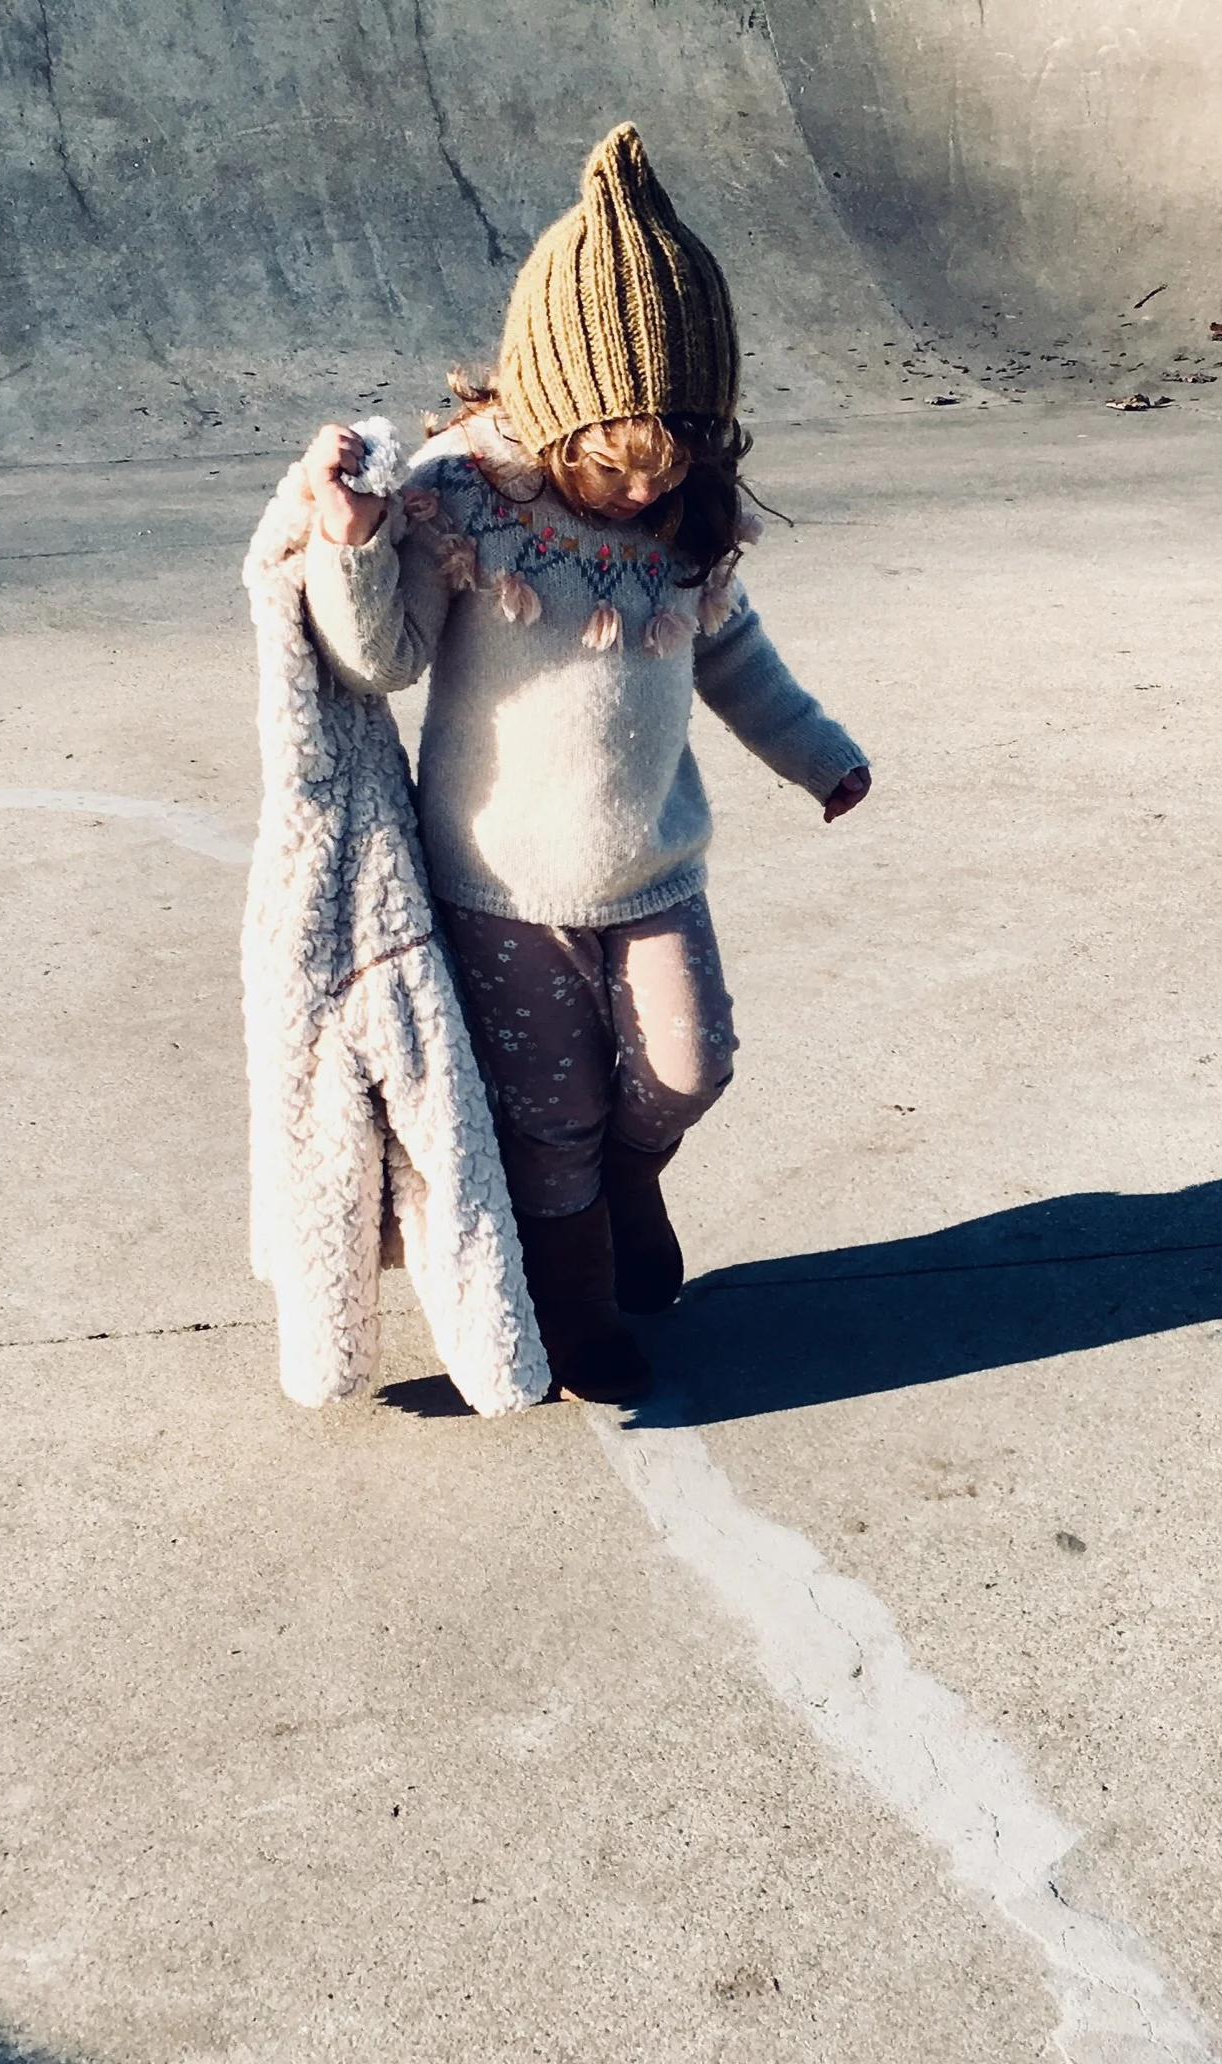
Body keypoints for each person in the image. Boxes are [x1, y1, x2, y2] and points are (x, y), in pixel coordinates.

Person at [295, 123, 870, 1405]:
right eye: (612, 460)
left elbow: (734, 657)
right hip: (503, 886)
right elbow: (381, 656)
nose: (636, 487)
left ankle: (633, 1180)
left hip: (654, 867)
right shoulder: (466, 497)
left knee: (690, 1064)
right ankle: (582, 1307)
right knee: (548, 1123)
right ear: (552, 403)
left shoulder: (680, 520)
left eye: (672, 457)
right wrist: (352, 543)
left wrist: (818, 753)